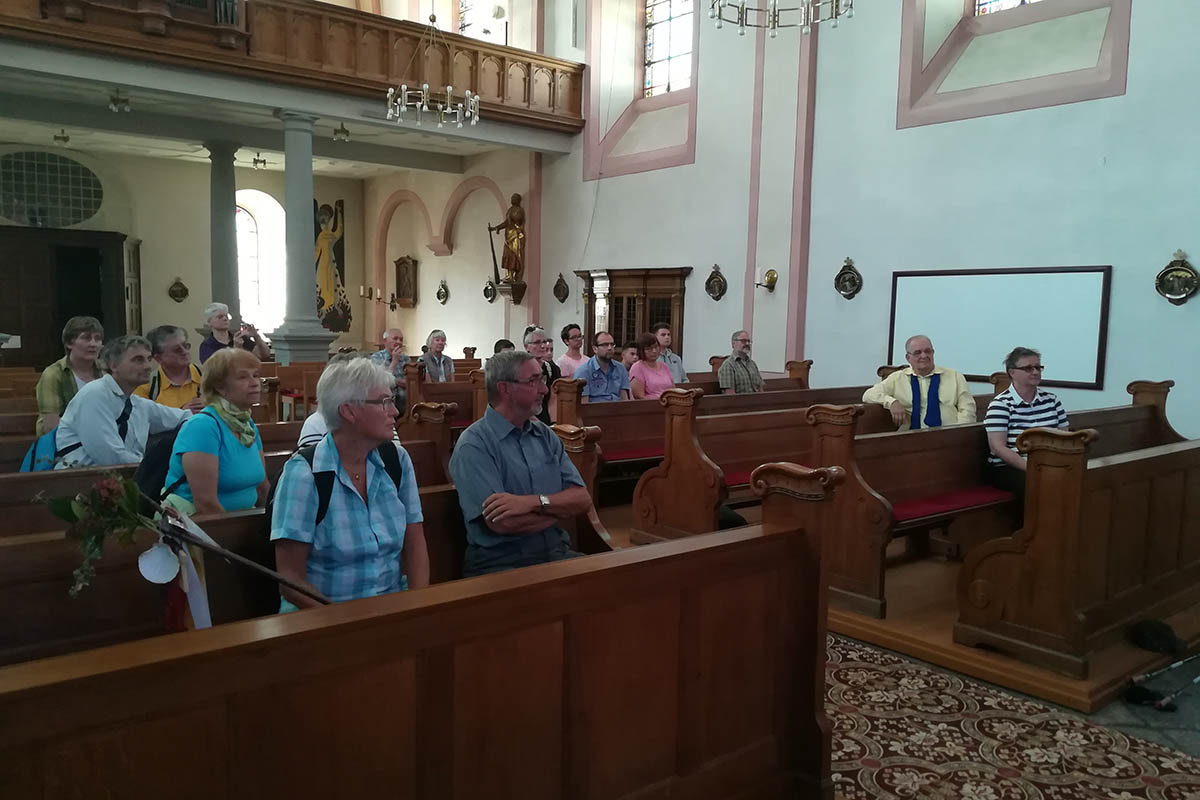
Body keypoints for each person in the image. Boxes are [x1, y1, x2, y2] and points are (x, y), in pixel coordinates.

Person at [271, 358, 430, 611]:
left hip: (389, 609)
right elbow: (290, 580)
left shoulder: (396, 461)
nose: (395, 412)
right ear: (348, 411)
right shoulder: (304, 474)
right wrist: (348, 624)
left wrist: (418, 607)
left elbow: (415, 543)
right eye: (384, 402)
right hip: (323, 618)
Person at [449, 350, 592, 576]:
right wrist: (559, 510)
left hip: (557, 554)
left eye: (542, 380)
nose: (544, 389)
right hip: (502, 565)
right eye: (534, 381)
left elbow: (582, 499)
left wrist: (532, 503)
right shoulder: (475, 444)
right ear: (505, 388)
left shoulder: (545, 435)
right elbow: (502, 523)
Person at [54, 335, 192, 468]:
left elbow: (185, 418)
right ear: (114, 365)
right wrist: (153, 466)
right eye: (138, 360)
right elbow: (110, 457)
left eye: (149, 359)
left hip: (126, 477)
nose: (148, 366)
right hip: (78, 482)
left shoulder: (137, 403)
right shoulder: (95, 395)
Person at [160, 348, 268, 515]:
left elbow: (262, 487)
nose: (255, 383)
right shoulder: (202, 426)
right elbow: (205, 503)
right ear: (219, 386)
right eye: (242, 377)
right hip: (197, 524)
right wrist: (240, 536)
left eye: (255, 375)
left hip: (245, 521)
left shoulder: (246, 425)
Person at [984, 347, 1068, 502]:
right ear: (1012, 373)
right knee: (1037, 484)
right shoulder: (1001, 404)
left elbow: (1065, 438)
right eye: (1028, 368)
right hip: (1009, 467)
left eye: (1038, 367)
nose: (1035, 372)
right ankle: (1031, 526)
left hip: (1047, 463)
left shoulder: (1052, 400)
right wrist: (1033, 468)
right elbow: (998, 448)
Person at [862, 335, 975, 429]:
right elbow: (868, 395)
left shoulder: (955, 376)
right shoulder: (897, 378)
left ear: (933, 353)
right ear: (908, 357)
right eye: (917, 353)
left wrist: (959, 433)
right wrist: (892, 402)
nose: (924, 356)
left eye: (927, 351)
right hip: (911, 441)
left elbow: (967, 409)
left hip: (949, 437)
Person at [35, 316, 104, 435]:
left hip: (102, 436)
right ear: (69, 343)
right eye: (86, 338)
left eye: (97, 339)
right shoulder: (53, 374)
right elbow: (51, 426)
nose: (93, 344)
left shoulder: (106, 370)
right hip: (63, 440)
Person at [134, 325, 205, 412]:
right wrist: (181, 413)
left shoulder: (209, 374)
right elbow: (142, 421)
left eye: (185, 345)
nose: (185, 352)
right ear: (158, 358)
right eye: (177, 350)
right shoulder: (146, 385)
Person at [198, 302, 270, 364]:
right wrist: (237, 348)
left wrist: (256, 336)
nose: (225, 319)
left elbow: (265, 355)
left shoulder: (241, 339)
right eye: (220, 317)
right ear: (209, 323)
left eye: (226, 316)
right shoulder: (207, 346)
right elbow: (218, 369)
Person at [574, 331, 630, 402]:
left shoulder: (620, 368)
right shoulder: (584, 371)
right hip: (595, 411)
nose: (610, 348)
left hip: (618, 410)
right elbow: (583, 404)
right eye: (605, 345)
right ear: (595, 349)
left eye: (612, 344)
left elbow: (624, 399)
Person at [524, 326, 560, 424]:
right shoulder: (520, 368)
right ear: (527, 346)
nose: (543, 346)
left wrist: (554, 424)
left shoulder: (552, 369)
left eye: (544, 342)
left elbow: (553, 400)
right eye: (537, 342)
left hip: (545, 419)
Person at [369, 327, 410, 413]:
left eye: (401, 339)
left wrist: (395, 381)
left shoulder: (406, 359)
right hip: (386, 401)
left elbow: (410, 381)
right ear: (385, 341)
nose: (398, 342)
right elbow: (381, 382)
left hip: (406, 400)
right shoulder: (376, 358)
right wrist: (395, 361)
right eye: (395, 339)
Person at [488, 193, 526, 282]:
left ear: (518, 200)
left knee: (514, 255)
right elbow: (506, 223)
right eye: (512, 198)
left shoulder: (519, 210)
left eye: (514, 198)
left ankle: (514, 275)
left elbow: (518, 220)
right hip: (508, 236)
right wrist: (495, 228)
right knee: (507, 255)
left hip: (515, 235)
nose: (512, 199)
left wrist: (512, 221)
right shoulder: (510, 210)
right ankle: (509, 275)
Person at [629, 332, 675, 400]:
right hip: (650, 406)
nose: (654, 351)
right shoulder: (637, 367)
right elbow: (639, 397)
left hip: (670, 404)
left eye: (656, 347)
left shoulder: (664, 366)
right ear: (642, 350)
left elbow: (673, 389)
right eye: (649, 348)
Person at [717, 330, 764, 394]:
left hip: (757, 402)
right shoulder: (728, 365)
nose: (747, 343)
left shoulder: (752, 364)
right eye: (743, 341)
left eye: (749, 341)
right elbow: (730, 395)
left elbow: (760, 389)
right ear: (733, 343)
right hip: (740, 403)